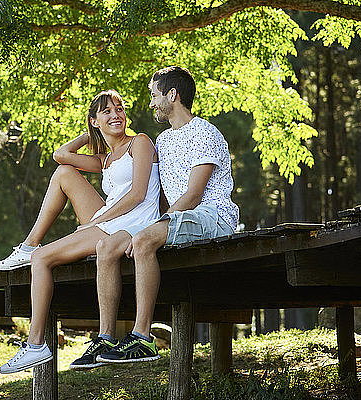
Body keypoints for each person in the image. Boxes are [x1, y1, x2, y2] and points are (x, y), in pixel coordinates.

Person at [75, 66, 239, 366]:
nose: (151, 103)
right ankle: (105, 338)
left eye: (154, 95)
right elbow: (161, 194)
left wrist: (150, 228)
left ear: (172, 95)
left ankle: (142, 338)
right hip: (176, 219)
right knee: (108, 246)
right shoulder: (163, 141)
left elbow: (192, 196)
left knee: (143, 239)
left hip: (212, 217)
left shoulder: (204, 132)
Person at [0, 89, 161, 374]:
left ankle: (36, 345)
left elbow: (137, 194)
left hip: (133, 222)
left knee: (42, 260)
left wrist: (95, 223)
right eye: (107, 112)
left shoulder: (140, 143)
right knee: (63, 173)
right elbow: (60, 155)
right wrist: (92, 132)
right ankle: (29, 244)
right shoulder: (105, 159)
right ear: (95, 120)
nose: (116, 115)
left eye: (119, 109)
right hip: (110, 219)